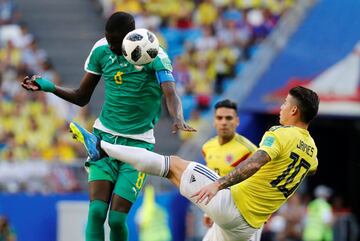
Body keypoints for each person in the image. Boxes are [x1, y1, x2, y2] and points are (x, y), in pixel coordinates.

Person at [21, 11, 195, 241]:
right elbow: (82, 97)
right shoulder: (101, 50)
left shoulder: (155, 55)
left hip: (138, 147)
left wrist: (177, 117)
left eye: (115, 42)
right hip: (102, 142)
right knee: (96, 212)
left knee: (116, 220)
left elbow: (170, 93)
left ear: (130, 36)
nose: (111, 45)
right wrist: (49, 87)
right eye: (108, 40)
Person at [70, 86, 320, 241]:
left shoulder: (280, 133)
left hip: (234, 205)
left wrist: (218, 185)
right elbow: (295, 174)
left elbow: (256, 162)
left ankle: (101, 147)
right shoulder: (312, 154)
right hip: (249, 226)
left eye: (286, 103)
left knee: (172, 166)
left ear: (295, 112)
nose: (282, 107)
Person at [201, 99, 256, 229]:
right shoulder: (207, 147)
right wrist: (207, 211)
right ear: (214, 121)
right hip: (216, 210)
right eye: (219, 118)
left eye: (228, 118)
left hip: (240, 214)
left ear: (237, 121)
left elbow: (261, 182)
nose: (224, 122)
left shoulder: (249, 150)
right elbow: (209, 180)